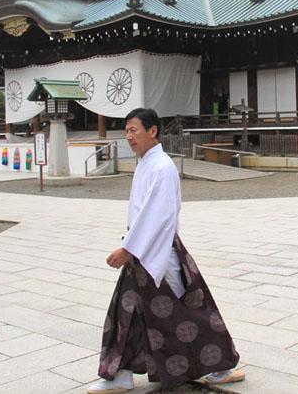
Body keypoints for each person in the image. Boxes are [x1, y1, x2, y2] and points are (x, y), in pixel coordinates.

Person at [88, 108, 244, 394]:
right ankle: (120, 374)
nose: (129, 136)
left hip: (156, 254)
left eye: (133, 130)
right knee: (129, 313)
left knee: (186, 315)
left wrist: (128, 249)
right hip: (144, 254)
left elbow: (158, 215)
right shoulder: (147, 163)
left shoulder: (162, 167)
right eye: (126, 131)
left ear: (153, 131)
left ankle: (221, 366)